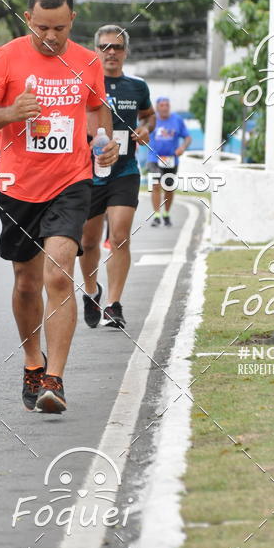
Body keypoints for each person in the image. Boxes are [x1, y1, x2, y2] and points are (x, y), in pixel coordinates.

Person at [0, 0, 118, 414]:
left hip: (71, 183)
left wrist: (104, 141)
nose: (51, 37)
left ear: (72, 20)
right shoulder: (6, 58)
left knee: (57, 275)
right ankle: (34, 362)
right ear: (27, 18)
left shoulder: (88, 61)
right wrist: (10, 113)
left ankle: (56, 380)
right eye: (42, 28)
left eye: (59, 29)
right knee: (26, 282)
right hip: (19, 186)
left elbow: (94, 107)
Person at [79, 25, 155, 330]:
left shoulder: (136, 86)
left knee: (120, 235)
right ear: (95, 49)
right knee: (88, 240)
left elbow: (148, 114)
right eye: (105, 46)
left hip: (124, 171)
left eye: (117, 47)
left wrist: (146, 128)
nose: (111, 52)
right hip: (88, 172)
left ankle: (114, 305)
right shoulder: (81, 82)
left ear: (125, 52)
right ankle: (92, 291)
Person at [149, 97, 192, 227]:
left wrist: (182, 147)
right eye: (161, 105)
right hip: (154, 158)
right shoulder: (152, 119)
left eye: (167, 105)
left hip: (172, 159)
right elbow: (142, 132)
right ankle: (156, 215)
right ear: (157, 108)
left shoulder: (177, 120)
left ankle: (166, 214)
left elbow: (188, 137)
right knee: (156, 185)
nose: (165, 107)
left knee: (169, 188)